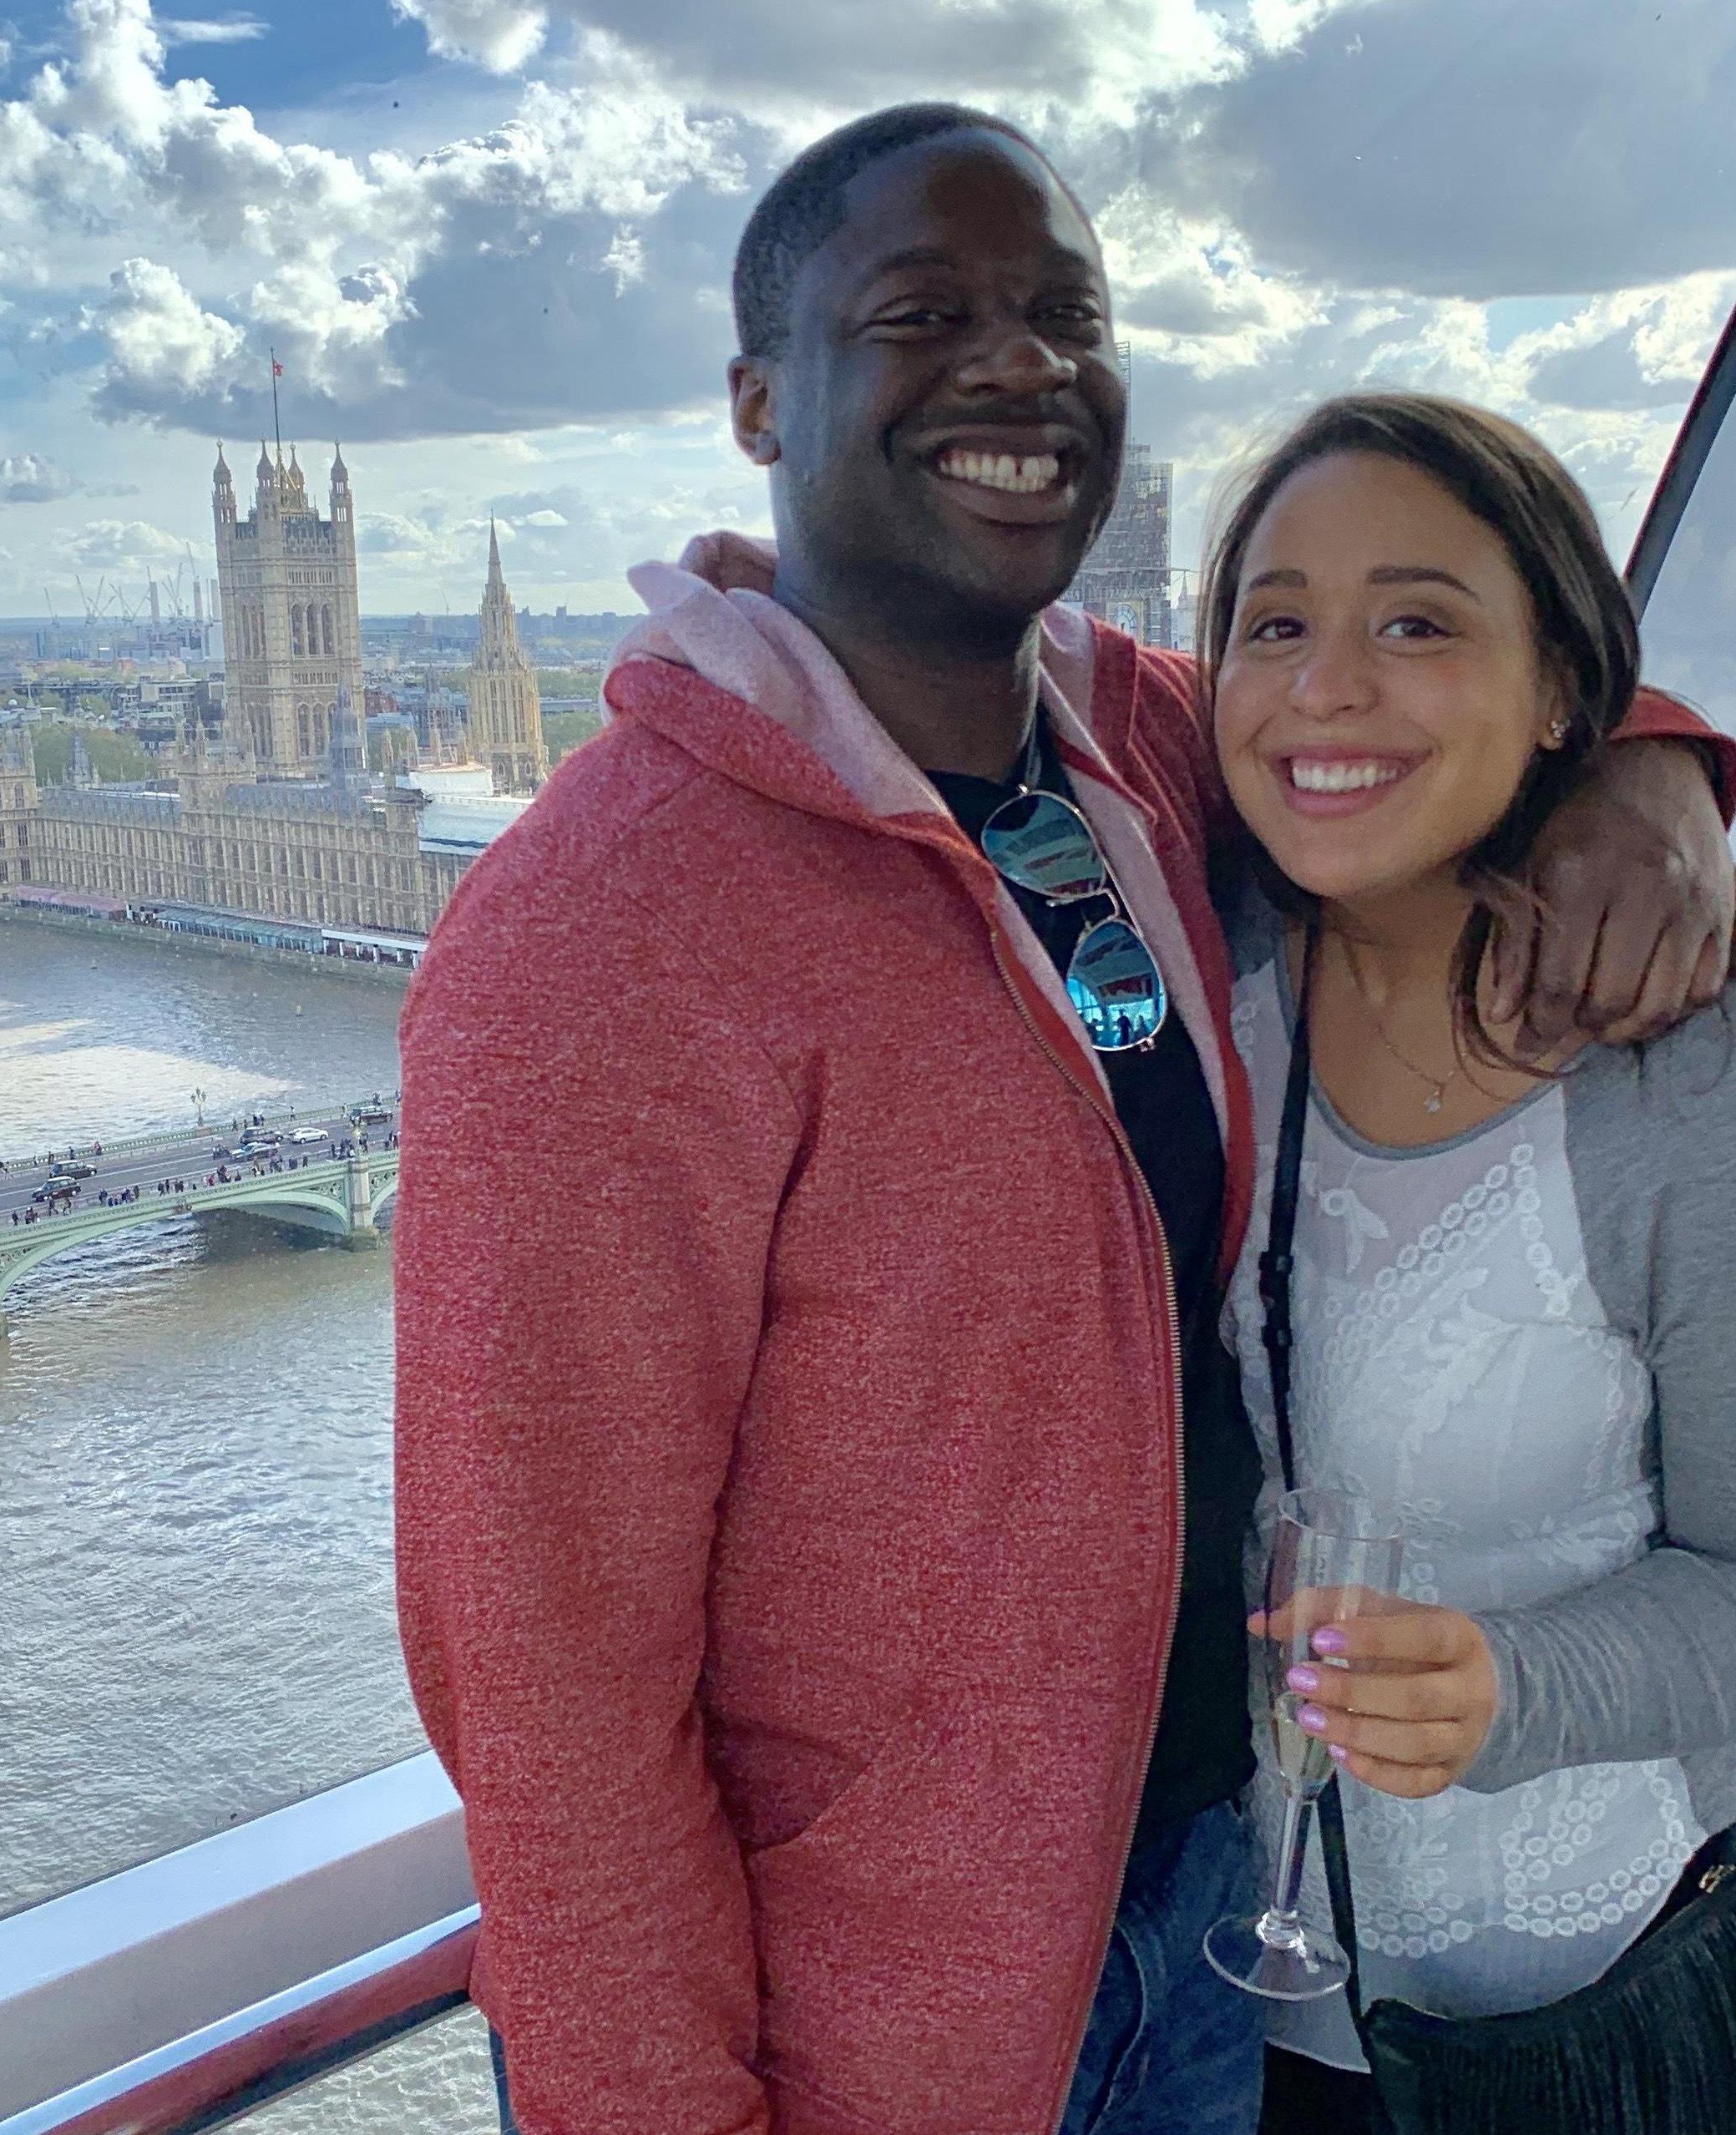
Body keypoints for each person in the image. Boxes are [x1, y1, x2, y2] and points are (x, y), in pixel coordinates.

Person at [393, 106, 1734, 2135]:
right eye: (922, 311)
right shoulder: (598, 933)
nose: (1014, 365)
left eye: (1064, 315)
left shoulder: (1125, 740)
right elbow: (545, 1675)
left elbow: (1403, 701)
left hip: (1199, 1922)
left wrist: (1660, 773)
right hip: (882, 2031)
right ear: (759, 399)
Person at [1196, 392, 1736, 2128]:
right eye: (1272, 624)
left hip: (1580, 2006)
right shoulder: (1192, 998)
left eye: (1415, 621)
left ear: (1565, 691)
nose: (1325, 685)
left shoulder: (1675, 1081)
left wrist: (1511, 1686)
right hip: (1227, 2007)